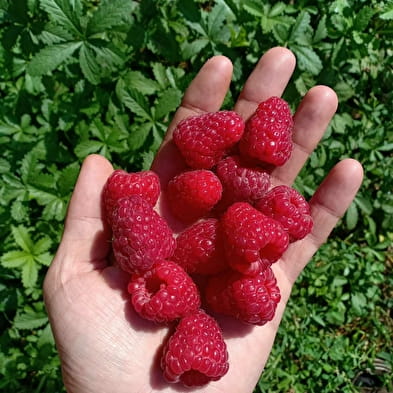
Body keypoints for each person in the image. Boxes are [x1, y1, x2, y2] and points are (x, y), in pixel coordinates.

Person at [43, 47, 363, 393]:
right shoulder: (193, 239)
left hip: (215, 248)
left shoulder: (241, 218)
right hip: (196, 247)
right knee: (207, 187)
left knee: (214, 189)